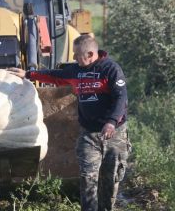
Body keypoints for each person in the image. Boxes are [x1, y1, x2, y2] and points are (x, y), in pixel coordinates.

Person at [9, 35, 131, 211]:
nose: (74, 57)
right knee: (87, 177)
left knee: (110, 178)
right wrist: (28, 74)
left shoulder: (110, 69)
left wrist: (111, 122)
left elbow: (121, 98)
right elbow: (55, 76)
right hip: (89, 134)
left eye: (77, 54)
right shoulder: (76, 70)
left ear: (90, 53)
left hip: (114, 133)